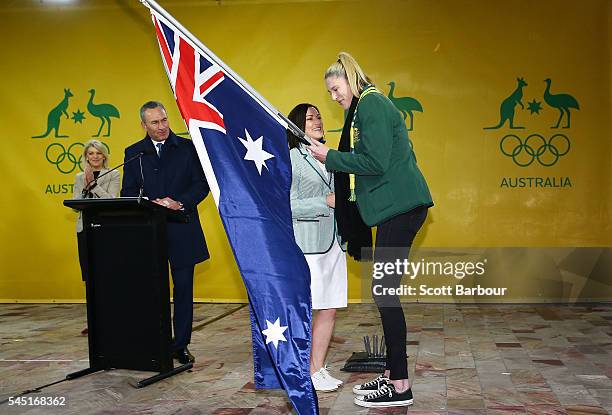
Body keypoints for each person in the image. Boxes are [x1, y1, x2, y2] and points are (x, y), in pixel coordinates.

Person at [309, 52, 433, 408]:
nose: (333, 97)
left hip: (402, 208)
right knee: (384, 293)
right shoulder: (366, 105)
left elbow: (375, 162)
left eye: (335, 89)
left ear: (349, 78)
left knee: (384, 294)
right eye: (330, 92)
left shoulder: (371, 104)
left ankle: (400, 385)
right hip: (396, 209)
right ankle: (395, 374)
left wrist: (330, 156)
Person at [121, 101, 210, 365]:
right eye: (154, 123)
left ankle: (180, 345)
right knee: (152, 291)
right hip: (149, 233)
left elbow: (201, 185)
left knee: (183, 290)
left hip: (182, 228)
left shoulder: (186, 148)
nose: (161, 127)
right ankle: (154, 342)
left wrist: (178, 201)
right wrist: (149, 203)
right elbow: (128, 192)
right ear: (143, 125)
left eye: (163, 121)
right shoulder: (134, 153)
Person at [287, 104, 348, 393]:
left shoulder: (331, 156)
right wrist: (324, 201)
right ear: (297, 125)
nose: (318, 121)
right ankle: (303, 370)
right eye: (310, 118)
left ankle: (317, 368)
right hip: (309, 245)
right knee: (309, 309)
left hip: (335, 242)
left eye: (319, 116)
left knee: (330, 308)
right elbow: (285, 206)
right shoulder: (290, 159)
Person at [72, 140, 121, 335]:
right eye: (90, 153)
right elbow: (75, 204)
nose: (94, 157)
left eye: (98, 153)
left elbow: (111, 201)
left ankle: (111, 319)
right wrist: (85, 186)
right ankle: (93, 321)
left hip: (104, 229)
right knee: (89, 276)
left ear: (104, 156)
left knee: (106, 275)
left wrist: (93, 186)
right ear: (86, 157)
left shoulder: (114, 174)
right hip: (85, 229)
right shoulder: (78, 177)